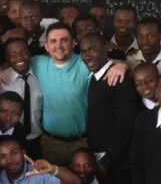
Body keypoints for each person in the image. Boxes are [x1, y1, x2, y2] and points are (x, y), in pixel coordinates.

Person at [31, 22, 126, 166]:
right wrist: (0, 70)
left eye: (64, 40)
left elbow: (122, 63)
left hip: (82, 143)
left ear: (74, 42)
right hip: (51, 143)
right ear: (46, 46)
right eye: (53, 41)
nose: (59, 45)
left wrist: (123, 65)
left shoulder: (86, 62)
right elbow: (15, 61)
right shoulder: (38, 63)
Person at [81, 33, 138, 184]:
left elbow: (127, 126)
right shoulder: (96, 77)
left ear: (106, 49)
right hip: (100, 157)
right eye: (84, 52)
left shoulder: (118, 80)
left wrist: (106, 161)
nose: (87, 56)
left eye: (92, 50)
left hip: (115, 161)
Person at [0, 38, 43, 157]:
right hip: (11, 140)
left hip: (38, 138)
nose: (19, 57)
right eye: (12, 55)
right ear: (7, 59)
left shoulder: (41, 75)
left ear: (29, 53)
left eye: (23, 52)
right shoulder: (1, 80)